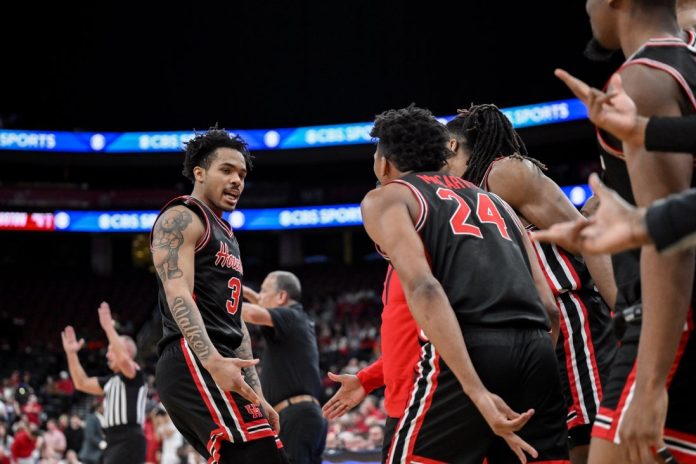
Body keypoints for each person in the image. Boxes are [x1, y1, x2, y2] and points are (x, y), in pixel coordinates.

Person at [359, 105, 568, 463]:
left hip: (470, 350)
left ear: (384, 163)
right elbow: (549, 307)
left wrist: (477, 390)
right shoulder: (497, 202)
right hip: (537, 351)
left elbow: (425, 288)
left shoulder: (389, 196)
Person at [445, 103, 617, 464]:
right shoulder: (467, 191)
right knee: (554, 441)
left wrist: (625, 310)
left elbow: (587, 240)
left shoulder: (505, 171)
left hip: (569, 320)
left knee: (587, 437)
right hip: (528, 331)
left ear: (452, 145)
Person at [580, 1, 696, 462]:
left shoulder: (642, 78)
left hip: (670, 323)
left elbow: (673, 244)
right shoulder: (682, 63)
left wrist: (649, 383)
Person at [150, 128, 287, 464]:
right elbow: (177, 292)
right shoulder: (182, 217)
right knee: (261, 457)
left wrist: (257, 396)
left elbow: (236, 325)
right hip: (193, 357)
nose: (237, 180)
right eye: (226, 170)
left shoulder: (227, 234)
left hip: (220, 357)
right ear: (199, 173)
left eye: (242, 174)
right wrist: (211, 361)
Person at [242, 271, 327, 464]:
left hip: (296, 415)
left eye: (264, 291)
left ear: (281, 296)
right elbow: (260, 303)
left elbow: (252, 313)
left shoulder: (290, 316)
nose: (260, 297)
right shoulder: (296, 319)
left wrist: (219, 299)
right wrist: (243, 290)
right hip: (304, 415)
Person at [61, 302, 147, 464]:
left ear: (126, 352)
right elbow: (81, 383)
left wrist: (109, 328)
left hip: (129, 438)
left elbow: (124, 360)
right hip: (112, 439)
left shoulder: (135, 374)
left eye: (111, 350)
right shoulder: (111, 381)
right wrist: (71, 354)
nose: (107, 355)